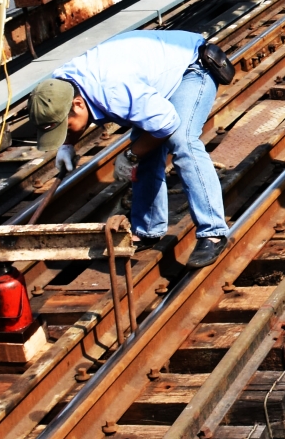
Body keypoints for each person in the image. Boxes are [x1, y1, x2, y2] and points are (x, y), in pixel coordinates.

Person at [30, 31, 232, 268]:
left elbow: (167, 123)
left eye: (65, 128)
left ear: (78, 104)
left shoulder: (114, 90)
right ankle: (147, 230)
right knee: (146, 147)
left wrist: (130, 154)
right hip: (149, 78)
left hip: (192, 68)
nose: (65, 131)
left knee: (181, 140)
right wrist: (67, 145)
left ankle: (213, 232)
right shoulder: (58, 86)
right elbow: (69, 116)